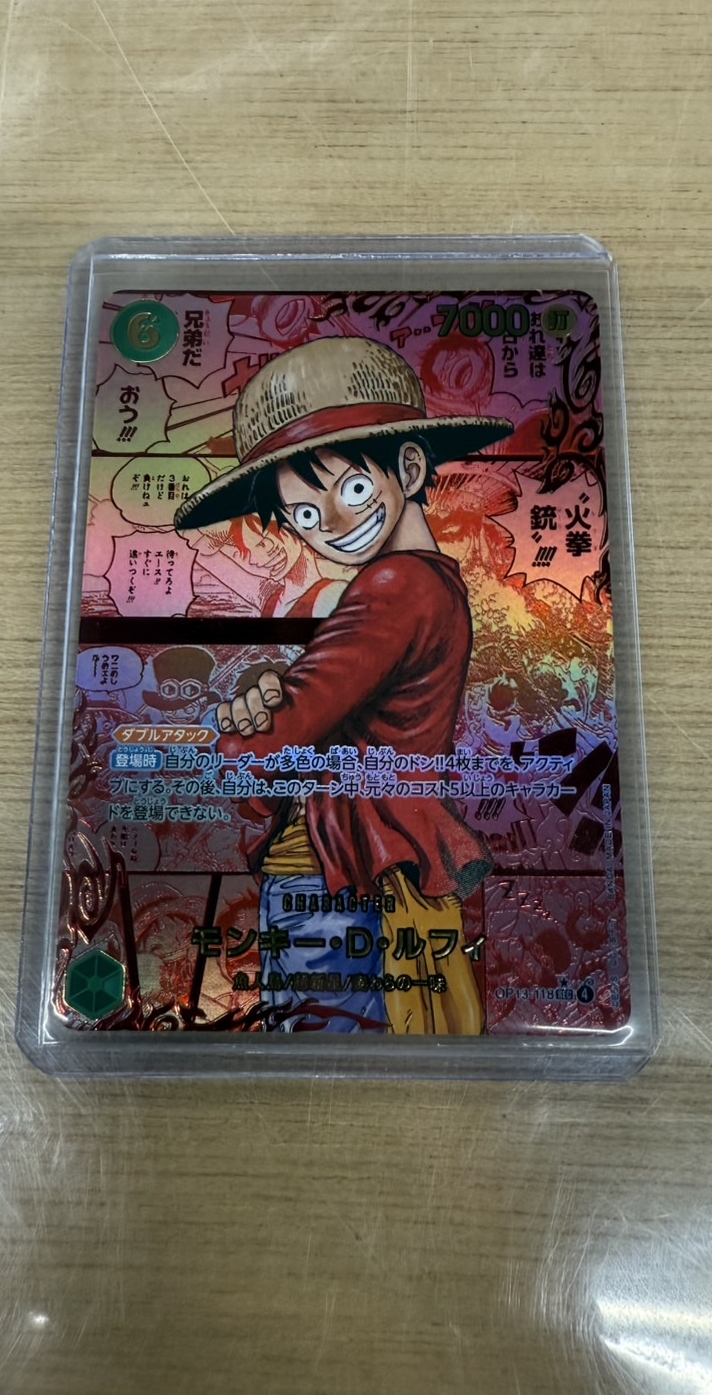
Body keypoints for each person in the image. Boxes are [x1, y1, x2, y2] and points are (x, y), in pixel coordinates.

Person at [175, 336, 512, 1034]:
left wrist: (248, 726)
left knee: (321, 1060)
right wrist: (276, 694)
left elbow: (257, 758)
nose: (330, 526)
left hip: (333, 881)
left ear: (409, 468)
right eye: (304, 514)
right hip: (368, 874)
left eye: (352, 490)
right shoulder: (436, 586)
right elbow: (326, 712)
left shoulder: (393, 587)